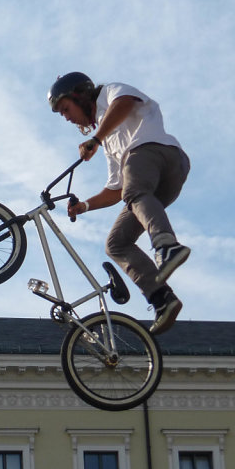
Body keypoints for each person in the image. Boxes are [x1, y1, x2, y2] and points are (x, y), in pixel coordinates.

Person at [49, 72, 191, 335]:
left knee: (133, 182)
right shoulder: (108, 140)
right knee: (116, 243)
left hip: (161, 154)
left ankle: (166, 245)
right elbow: (116, 190)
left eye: (66, 109)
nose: (67, 118)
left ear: (80, 96)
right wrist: (85, 206)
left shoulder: (111, 93)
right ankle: (162, 299)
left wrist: (96, 138)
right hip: (151, 188)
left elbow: (124, 103)